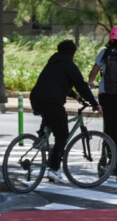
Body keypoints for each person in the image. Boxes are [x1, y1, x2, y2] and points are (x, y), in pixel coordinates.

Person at [28, 40, 99, 182]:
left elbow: (59, 83)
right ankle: (54, 169)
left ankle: (41, 138)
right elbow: (82, 86)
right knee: (62, 135)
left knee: (51, 117)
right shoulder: (70, 66)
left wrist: (75, 95)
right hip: (52, 102)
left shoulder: (52, 63)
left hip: (36, 99)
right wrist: (95, 104)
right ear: (73, 54)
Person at [87, 25, 117, 183]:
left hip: (106, 95)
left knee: (108, 128)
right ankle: (113, 161)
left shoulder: (104, 53)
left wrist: (91, 83)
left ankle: (104, 158)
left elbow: (93, 73)